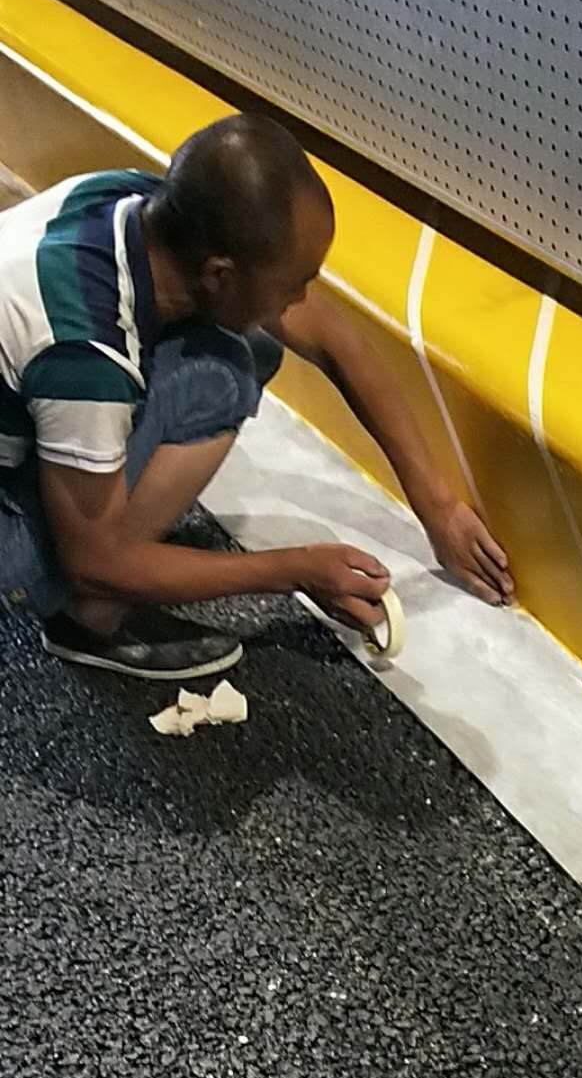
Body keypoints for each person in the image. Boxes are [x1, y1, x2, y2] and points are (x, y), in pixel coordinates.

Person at [0, 114, 513, 680]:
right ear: (220, 273)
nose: (301, 297)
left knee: (248, 345)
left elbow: (331, 340)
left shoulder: (137, 204)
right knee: (220, 379)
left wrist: (438, 507)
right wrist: (295, 569)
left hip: (37, 404)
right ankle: (88, 619)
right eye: (293, 283)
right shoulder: (86, 357)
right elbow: (94, 561)